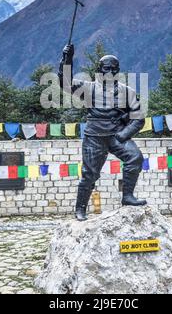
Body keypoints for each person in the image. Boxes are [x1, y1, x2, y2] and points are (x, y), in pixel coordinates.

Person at [58, 44, 147, 222]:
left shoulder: (127, 92)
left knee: (135, 157)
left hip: (117, 136)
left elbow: (139, 118)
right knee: (90, 174)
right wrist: (66, 59)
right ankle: (80, 208)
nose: (110, 72)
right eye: (106, 69)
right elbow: (65, 83)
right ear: (99, 70)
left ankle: (127, 197)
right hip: (94, 137)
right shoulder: (88, 88)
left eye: (114, 69)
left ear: (118, 70)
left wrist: (123, 135)